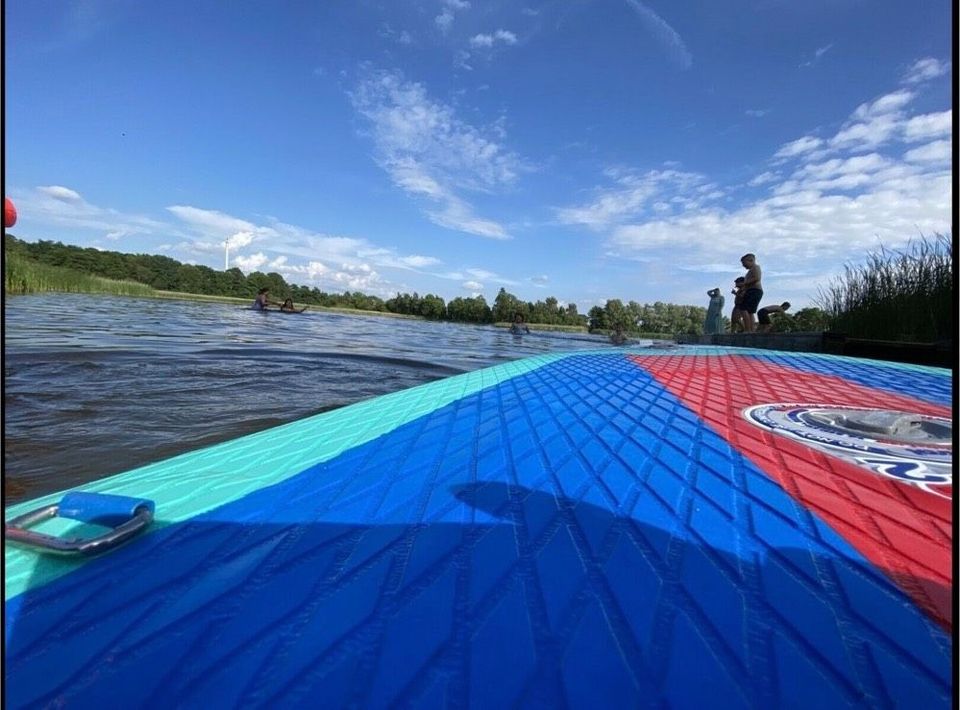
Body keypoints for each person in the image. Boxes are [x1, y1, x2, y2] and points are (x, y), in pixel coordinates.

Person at [739, 253, 763, 332]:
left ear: (751, 260)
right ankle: (751, 330)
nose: (743, 266)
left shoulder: (756, 267)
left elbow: (757, 278)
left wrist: (744, 283)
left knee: (743, 309)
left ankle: (748, 329)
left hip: (755, 291)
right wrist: (743, 290)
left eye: (744, 263)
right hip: (751, 291)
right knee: (750, 312)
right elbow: (748, 284)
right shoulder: (749, 272)